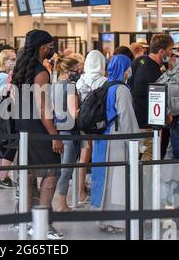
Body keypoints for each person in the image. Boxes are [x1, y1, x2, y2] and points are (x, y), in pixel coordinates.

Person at [11, 29, 64, 240]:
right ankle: (43, 224)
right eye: (50, 46)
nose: (52, 49)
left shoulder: (21, 69)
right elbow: (43, 108)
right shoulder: (41, 72)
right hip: (39, 130)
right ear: (43, 47)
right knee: (51, 174)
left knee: (29, 174)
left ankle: (24, 221)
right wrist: (54, 135)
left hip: (23, 127)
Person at [91, 54, 140, 234]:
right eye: (129, 67)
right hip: (117, 139)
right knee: (117, 181)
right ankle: (117, 221)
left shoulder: (103, 85)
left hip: (102, 138)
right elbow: (126, 117)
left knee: (103, 179)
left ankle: (103, 219)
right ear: (125, 68)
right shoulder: (122, 89)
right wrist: (136, 142)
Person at [131, 34, 174, 161]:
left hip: (134, 120)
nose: (171, 54)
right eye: (170, 50)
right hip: (147, 125)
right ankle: (147, 182)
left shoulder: (138, 61)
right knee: (148, 158)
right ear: (161, 52)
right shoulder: (155, 74)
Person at [76, 50, 107, 204]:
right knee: (97, 156)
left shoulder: (81, 80)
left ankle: (80, 191)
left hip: (83, 121)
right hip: (98, 124)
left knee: (83, 157)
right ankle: (96, 190)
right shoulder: (103, 81)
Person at [52, 57, 81, 212]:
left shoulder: (53, 86)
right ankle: (62, 204)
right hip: (69, 132)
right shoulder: (70, 87)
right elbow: (73, 113)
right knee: (67, 170)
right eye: (75, 70)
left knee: (60, 169)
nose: (78, 73)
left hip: (58, 130)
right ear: (66, 70)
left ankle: (59, 201)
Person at [0, 49, 17, 188]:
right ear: (4, 60)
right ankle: (3, 177)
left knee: (3, 145)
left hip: (1, 114)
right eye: (12, 59)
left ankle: (3, 176)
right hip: (6, 115)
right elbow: (7, 95)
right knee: (10, 144)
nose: (14, 62)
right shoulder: (4, 77)